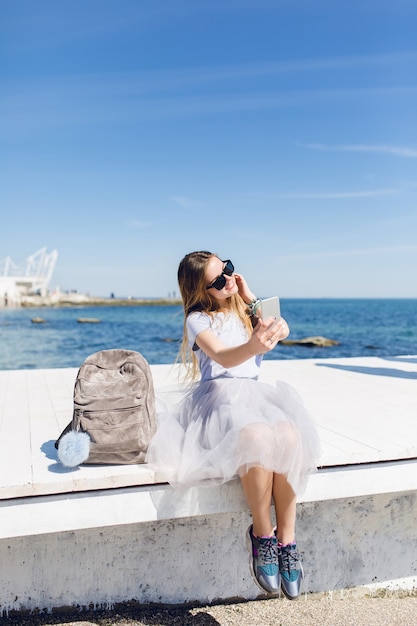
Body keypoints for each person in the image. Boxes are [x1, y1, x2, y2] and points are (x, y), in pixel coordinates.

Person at [146, 251, 320, 600]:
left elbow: (277, 327)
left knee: (287, 435)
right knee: (256, 435)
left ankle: (288, 540)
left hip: (256, 394)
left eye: (228, 269)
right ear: (200, 290)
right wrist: (254, 343)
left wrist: (252, 298)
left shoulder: (243, 307)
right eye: (218, 280)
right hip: (219, 398)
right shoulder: (198, 319)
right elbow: (224, 357)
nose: (228, 279)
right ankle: (262, 535)